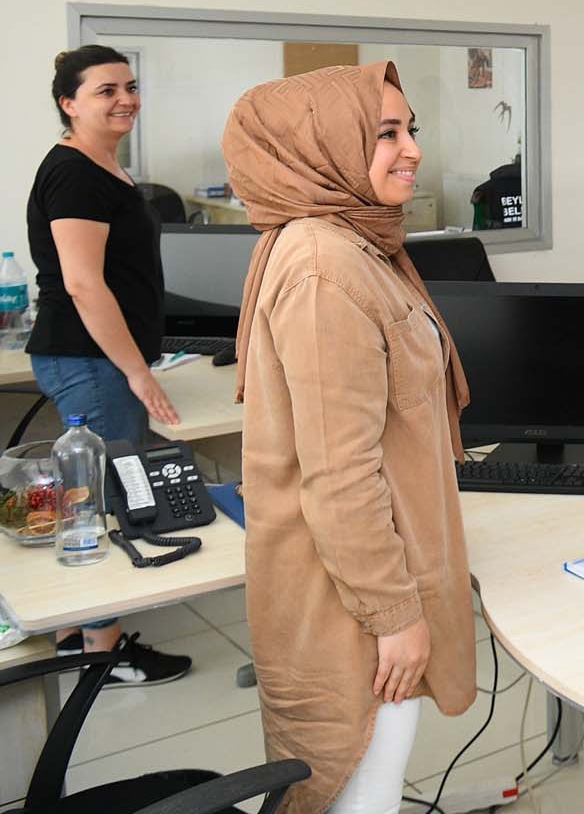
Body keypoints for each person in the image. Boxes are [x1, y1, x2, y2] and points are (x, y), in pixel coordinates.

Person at [223, 63, 477, 814]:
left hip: (367, 580)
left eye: (410, 130)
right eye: (385, 133)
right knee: (356, 791)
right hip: (353, 607)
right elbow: (340, 476)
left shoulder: (353, 243)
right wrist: (394, 618)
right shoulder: (324, 269)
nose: (413, 150)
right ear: (322, 147)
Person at [26, 45, 191, 686]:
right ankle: (104, 653)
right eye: (106, 91)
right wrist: (137, 373)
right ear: (68, 103)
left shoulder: (102, 166)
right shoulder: (76, 174)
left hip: (99, 359)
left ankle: (76, 636)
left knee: (92, 495)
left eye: (130, 87)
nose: (126, 99)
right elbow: (83, 284)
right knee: (104, 501)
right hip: (90, 361)